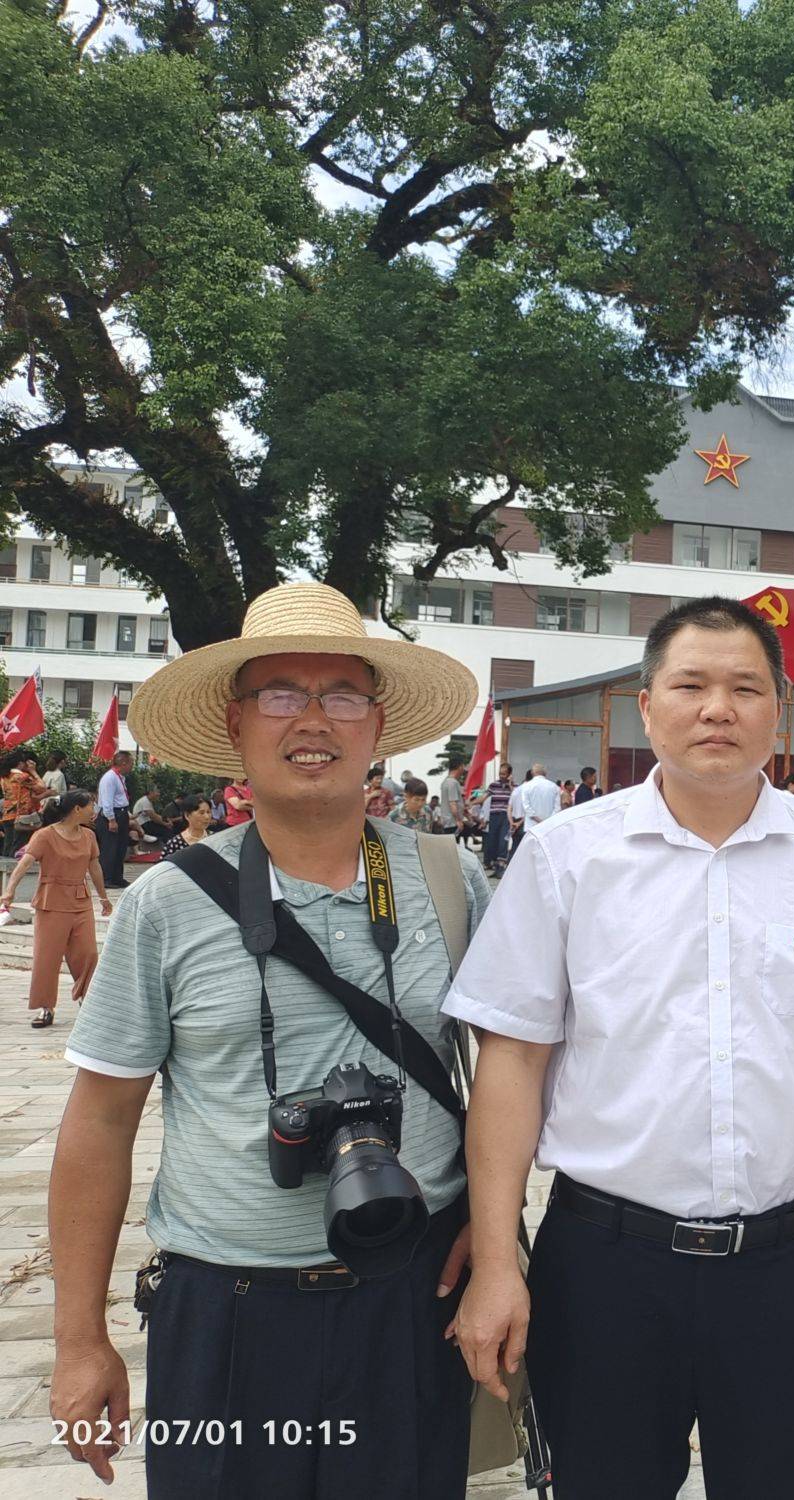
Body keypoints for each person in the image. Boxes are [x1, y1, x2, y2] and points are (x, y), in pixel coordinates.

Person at [445, 596, 794, 1500]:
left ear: (779, 711)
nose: (717, 709)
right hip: (607, 1260)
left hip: (784, 1262)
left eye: (745, 688)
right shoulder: (569, 856)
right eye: (690, 685)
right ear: (648, 705)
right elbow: (514, 1059)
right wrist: (498, 1262)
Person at [48, 581, 485, 1494]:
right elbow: (99, 1123)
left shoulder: (452, 878)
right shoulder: (168, 902)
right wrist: (80, 1340)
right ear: (239, 724)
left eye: (342, 695)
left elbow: (518, 1071)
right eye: (282, 693)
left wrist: (493, 1222)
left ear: (377, 724)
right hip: (227, 1311)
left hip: (415, 1302)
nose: (313, 719)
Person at [2, 790, 110, 1028]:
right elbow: (25, 863)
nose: (95, 810)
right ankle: (45, 1008)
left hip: (80, 901)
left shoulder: (89, 836)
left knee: (88, 954)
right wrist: (9, 890)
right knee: (47, 957)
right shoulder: (45, 836)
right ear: (77, 809)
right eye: (91, 805)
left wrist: (104, 898)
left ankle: (88, 1000)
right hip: (51, 902)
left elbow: (95, 868)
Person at [94, 750, 133, 889]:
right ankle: (106, 878)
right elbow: (107, 801)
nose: (131, 766)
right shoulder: (109, 778)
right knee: (110, 848)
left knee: (120, 847)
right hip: (111, 815)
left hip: (121, 814)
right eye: (130, 763)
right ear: (123, 763)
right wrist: (111, 819)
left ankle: (117, 877)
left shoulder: (120, 777)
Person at [511, 762, 562, 853]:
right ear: (545, 773)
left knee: (531, 852)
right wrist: (547, 821)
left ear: (532, 773)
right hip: (549, 826)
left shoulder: (526, 786)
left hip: (531, 825)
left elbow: (527, 808)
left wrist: (538, 820)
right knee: (547, 851)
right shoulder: (554, 787)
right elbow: (557, 808)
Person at [2, 752, 46, 856]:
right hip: (21, 817)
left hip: (7, 815)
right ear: (20, 763)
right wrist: (33, 771)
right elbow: (42, 787)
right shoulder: (22, 776)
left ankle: (5, 872)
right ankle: (15, 872)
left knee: (8, 848)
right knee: (18, 848)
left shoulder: (4, 777)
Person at [482, 763, 515, 871]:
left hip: (506, 817)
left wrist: (510, 785)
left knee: (503, 841)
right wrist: (471, 802)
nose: (501, 776)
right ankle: (494, 863)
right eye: (500, 773)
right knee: (492, 840)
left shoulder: (515, 787)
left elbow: (516, 797)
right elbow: (483, 797)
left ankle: (501, 865)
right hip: (494, 816)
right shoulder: (493, 785)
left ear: (509, 774)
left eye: (504, 774)